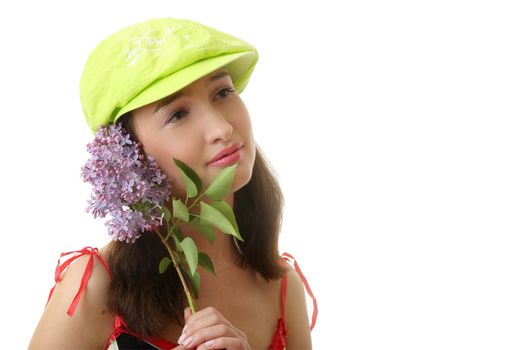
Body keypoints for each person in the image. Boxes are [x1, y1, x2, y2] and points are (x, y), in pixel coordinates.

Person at [29, 18, 317, 350]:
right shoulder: (96, 284)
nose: (221, 127)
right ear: (127, 154)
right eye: (178, 114)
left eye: (223, 91)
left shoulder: (280, 287)